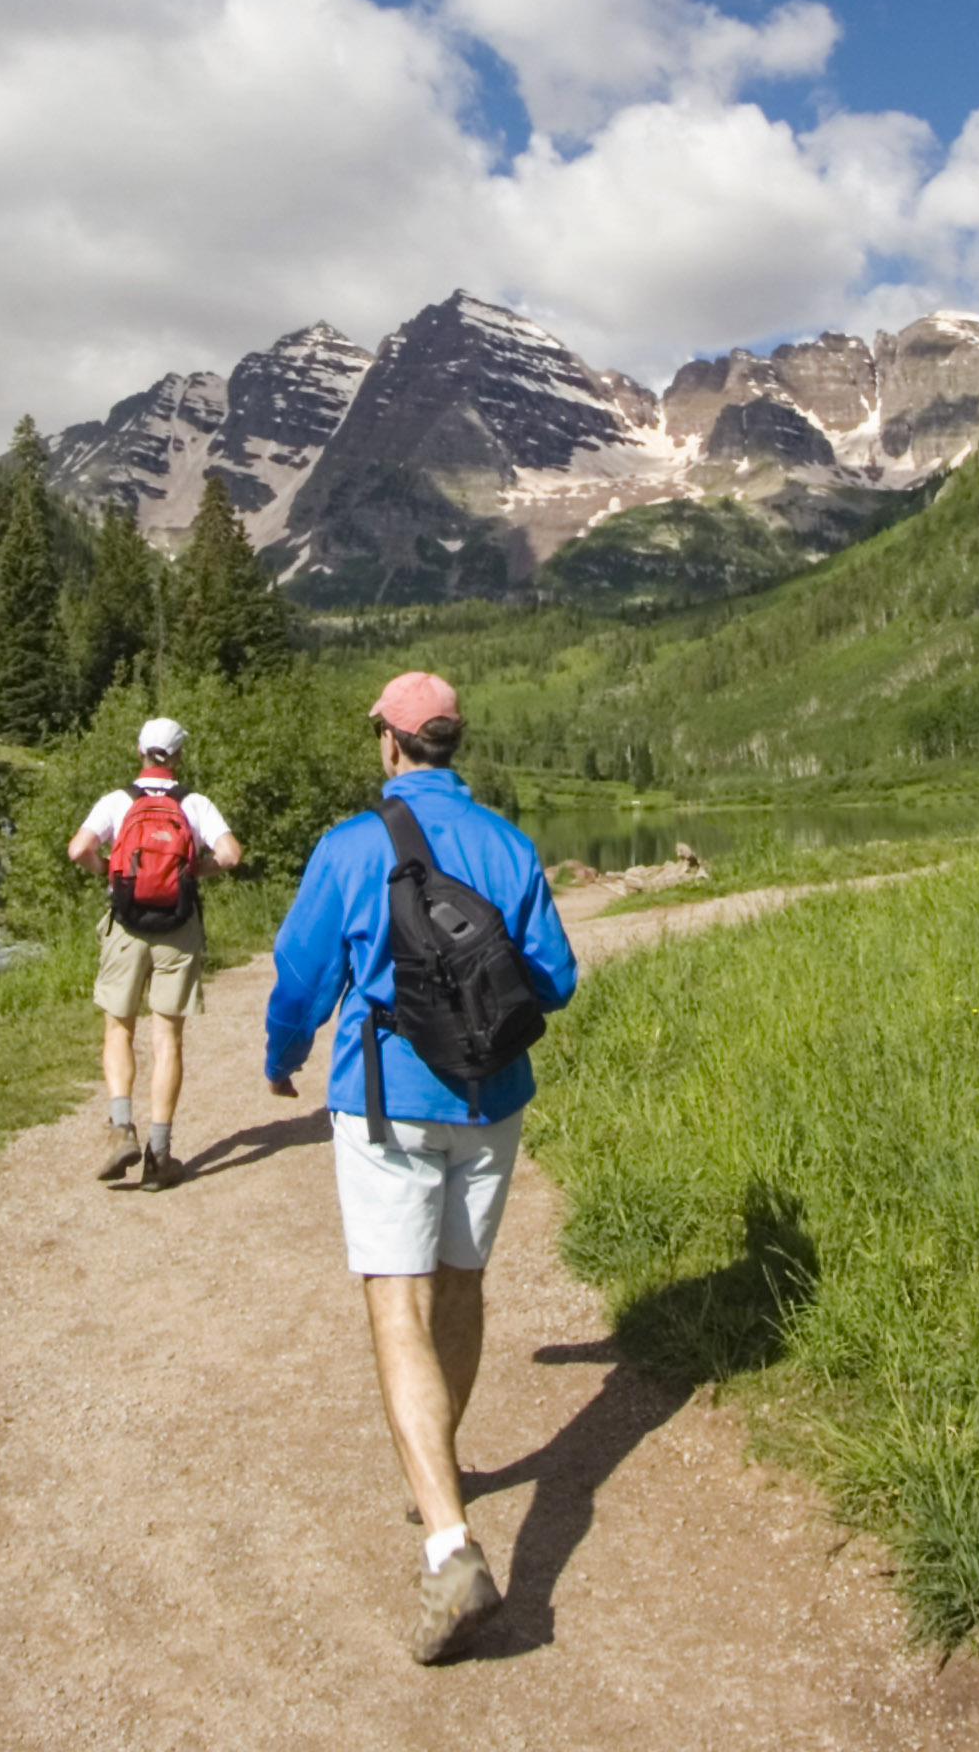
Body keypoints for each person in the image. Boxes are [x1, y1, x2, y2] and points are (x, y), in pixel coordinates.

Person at [263, 671, 578, 1665]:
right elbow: (557, 979)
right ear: (452, 743)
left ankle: (450, 1546)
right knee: (462, 1285)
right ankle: (437, 1468)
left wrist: (281, 1055)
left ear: (393, 746)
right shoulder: (509, 844)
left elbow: (301, 976)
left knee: (395, 1305)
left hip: (387, 1106)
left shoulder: (352, 847)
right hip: (491, 1102)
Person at [66, 715, 241, 1190]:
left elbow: (77, 848)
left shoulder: (118, 801)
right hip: (178, 930)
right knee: (167, 1038)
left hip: (126, 925)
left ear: (139, 751)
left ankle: (121, 1126)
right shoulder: (195, 804)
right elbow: (230, 855)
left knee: (118, 1029)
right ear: (180, 756)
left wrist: (110, 872)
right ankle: (159, 1157)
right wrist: (190, 874)